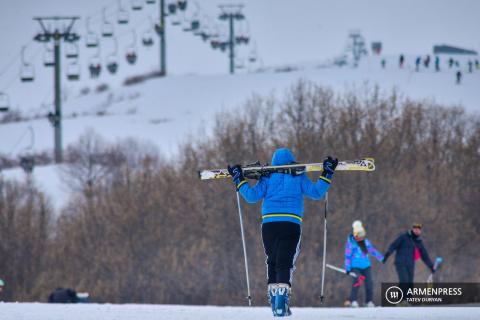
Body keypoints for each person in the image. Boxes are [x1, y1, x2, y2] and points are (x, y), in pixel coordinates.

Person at [228, 148, 337, 317]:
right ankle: (281, 301)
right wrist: (327, 173)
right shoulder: (298, 175)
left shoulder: (267, 176)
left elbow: (251, 196)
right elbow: (316, 192)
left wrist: (239, 179)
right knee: (285, 262)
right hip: (290, 223)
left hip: (269, 225)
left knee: (272, 260)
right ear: (292, 161)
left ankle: (274, 302)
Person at [383, 223, 435, 300]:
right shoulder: (404, 237)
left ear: (420, 231)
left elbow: (424, 255)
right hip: (400, 263)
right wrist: (387, 254)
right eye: (415, 229)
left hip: (410, 264)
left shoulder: (418, 241)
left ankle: (407, 300)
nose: (417, 231)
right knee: (404, 280)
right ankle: (402, 300)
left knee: (410, 283)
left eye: (418, 229)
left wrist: (431, 266)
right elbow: (393, 245)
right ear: (412, 229)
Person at [344, 221, 383, 308]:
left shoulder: (366, 242)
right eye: (360, 234)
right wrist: (347, 268)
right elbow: (347, 256)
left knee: (369, 282)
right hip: (355, 266)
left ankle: (369, 301)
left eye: (363, 234)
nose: (362, 236)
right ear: (355, 234)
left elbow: (372, 250)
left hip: (366, 266)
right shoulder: (350, 243)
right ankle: (352, 300)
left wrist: (381, 258)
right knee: (357, 281)